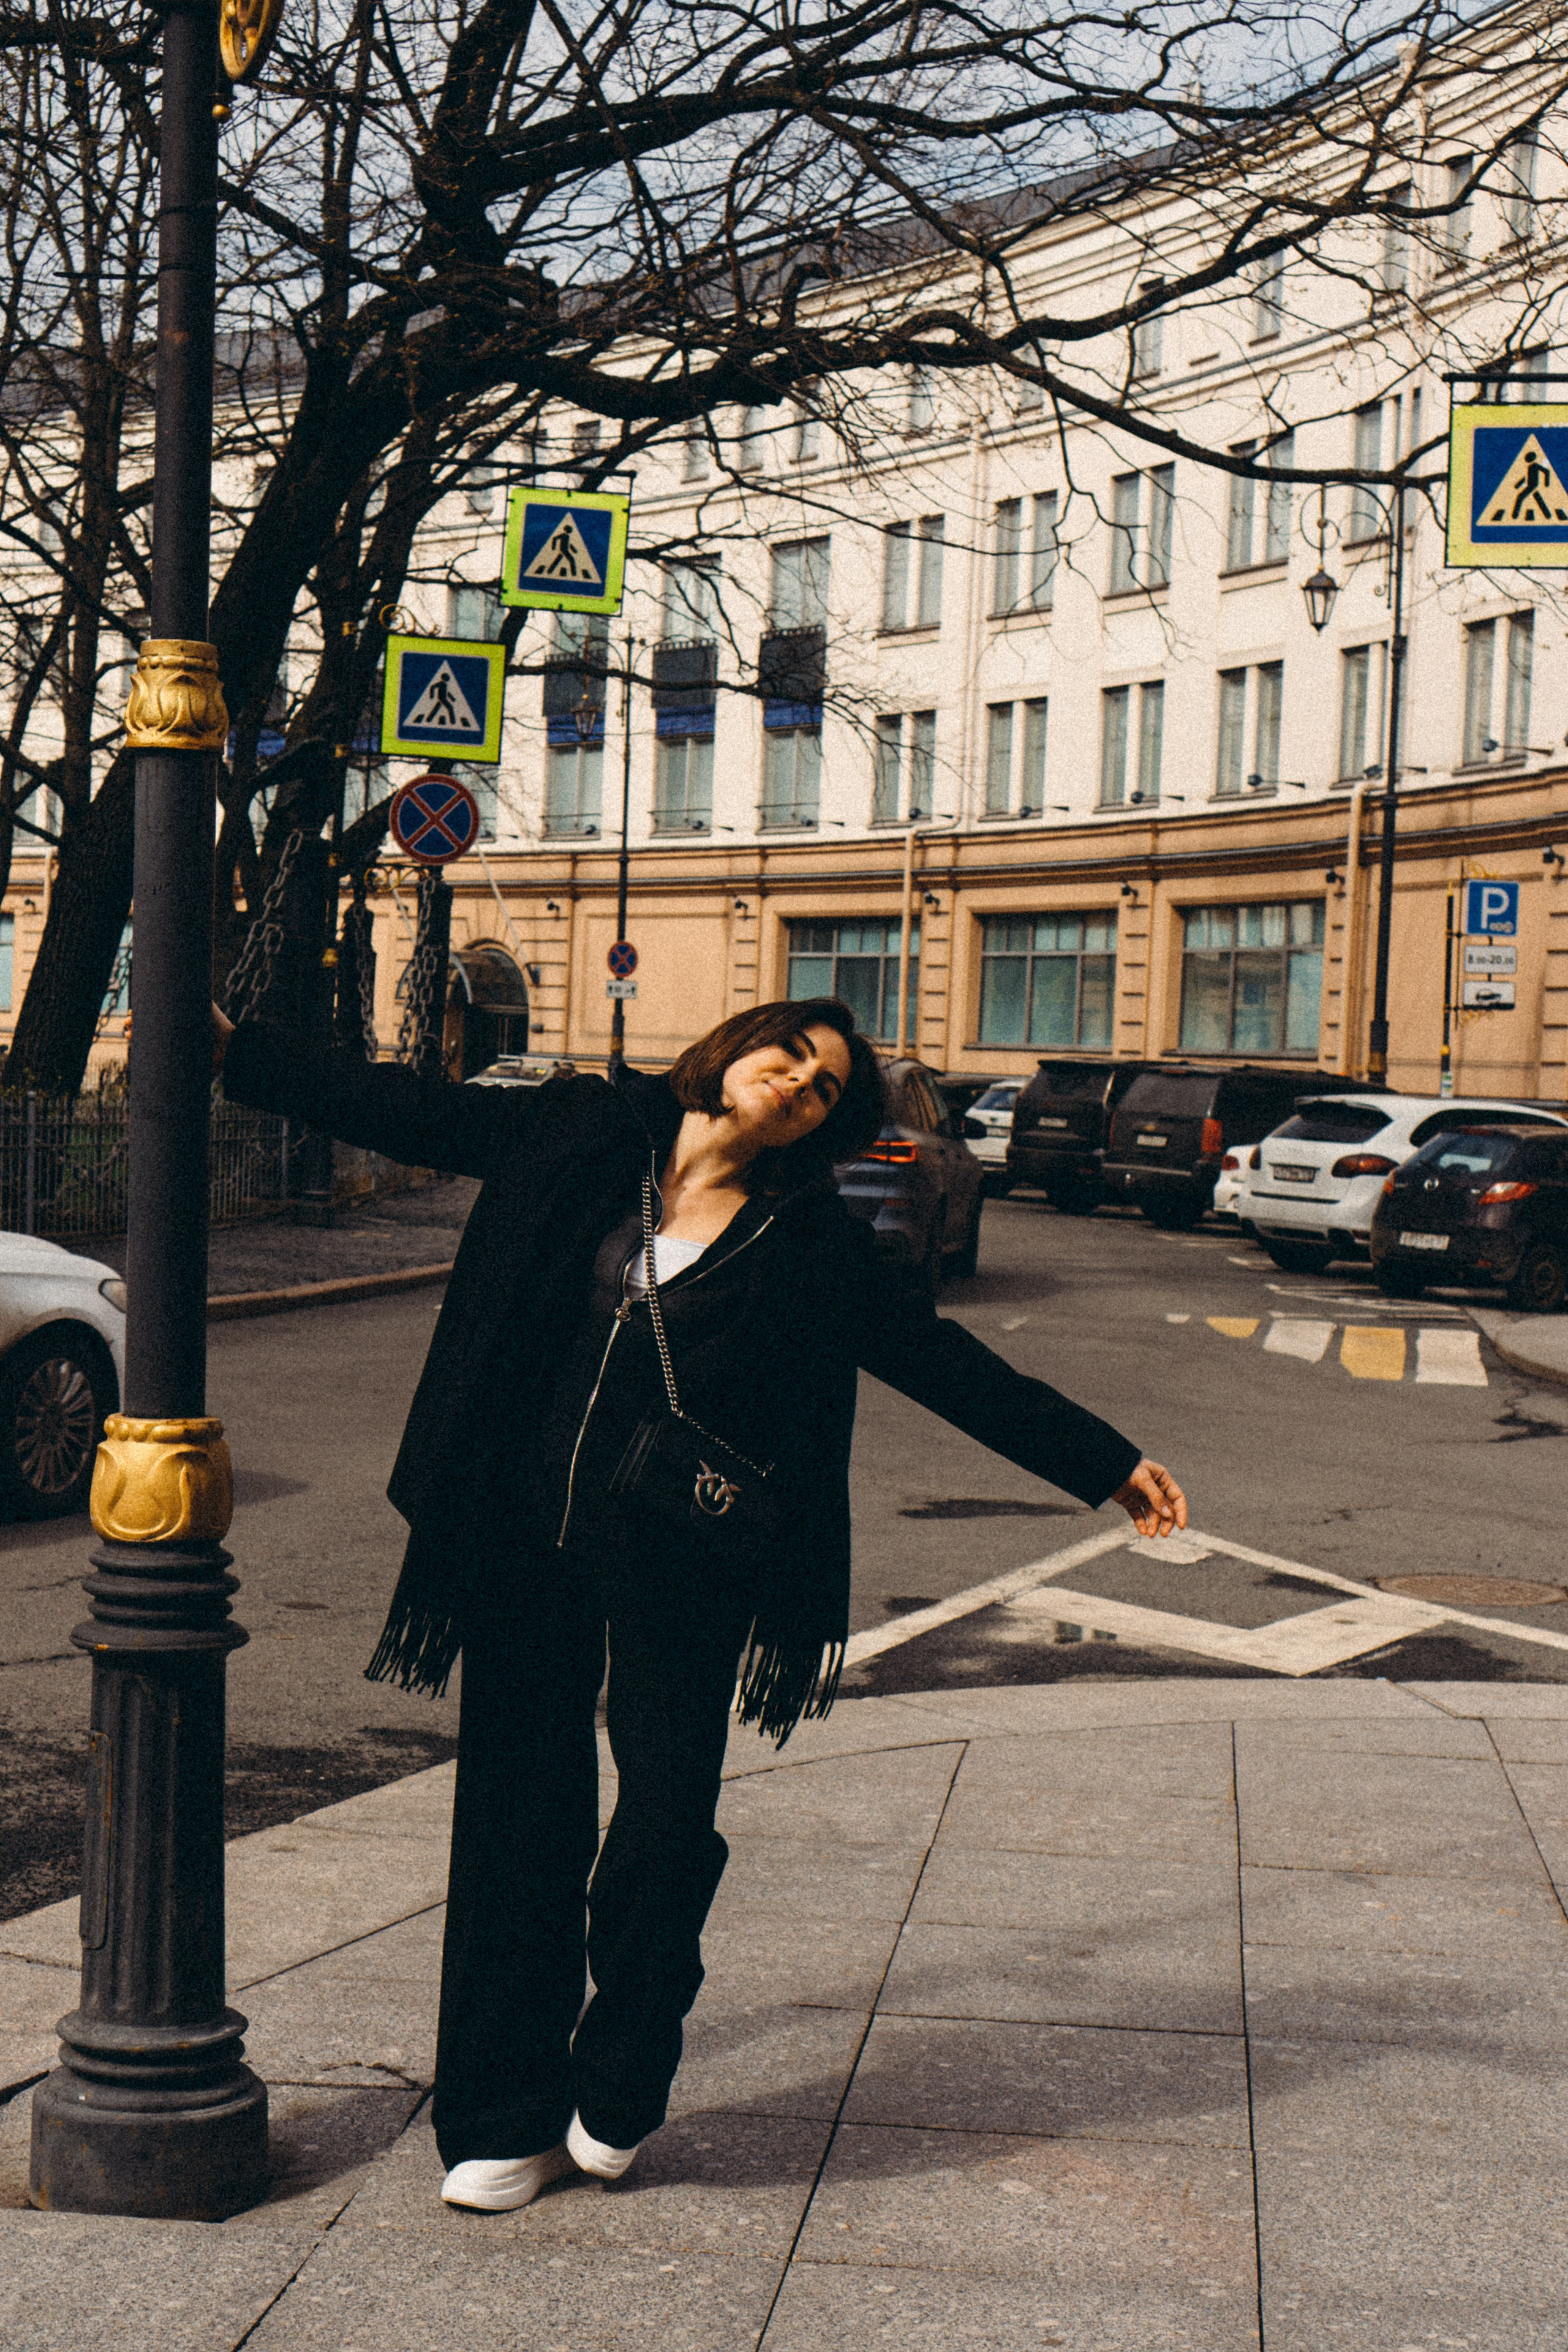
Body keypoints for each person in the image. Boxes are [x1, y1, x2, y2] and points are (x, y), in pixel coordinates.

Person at [213, 995, 1186, 2214]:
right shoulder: (582, 1132)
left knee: (665, 1826)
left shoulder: (810, 1238)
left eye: (823, 1089)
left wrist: (1102, 1462)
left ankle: (623, 2073)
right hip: (521, 1533)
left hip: (682, 1559)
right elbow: (410, 1111)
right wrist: (239, 1052)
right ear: (733, 1050)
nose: (795, 1084)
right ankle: (503, 2116)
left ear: (821, 1127)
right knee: (517, 1820)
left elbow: (941, 1361)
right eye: (788, 1054)